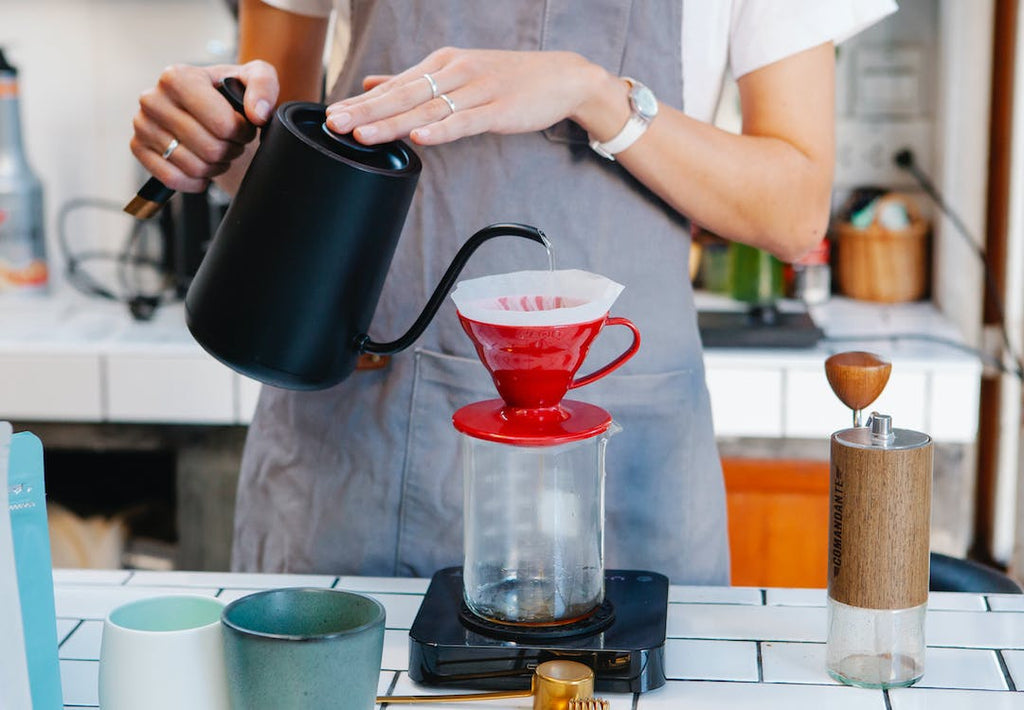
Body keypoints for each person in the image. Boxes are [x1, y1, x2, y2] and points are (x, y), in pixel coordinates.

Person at [131, 0, 896, 583]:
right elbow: (270, 149)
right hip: (360, 434)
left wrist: (592, 94)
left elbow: (794, 211)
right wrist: (215, 126)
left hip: (614, 436)